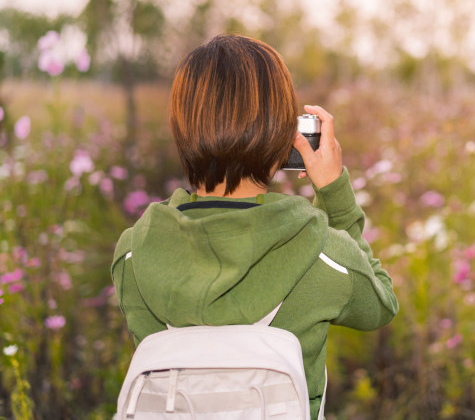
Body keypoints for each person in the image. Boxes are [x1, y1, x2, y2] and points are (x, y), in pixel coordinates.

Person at [111, 34, 399, 419]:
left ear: (182, 128)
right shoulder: (322, 253)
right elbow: (380, 304)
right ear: (283, 134)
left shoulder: (133, 255)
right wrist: (334, 193)